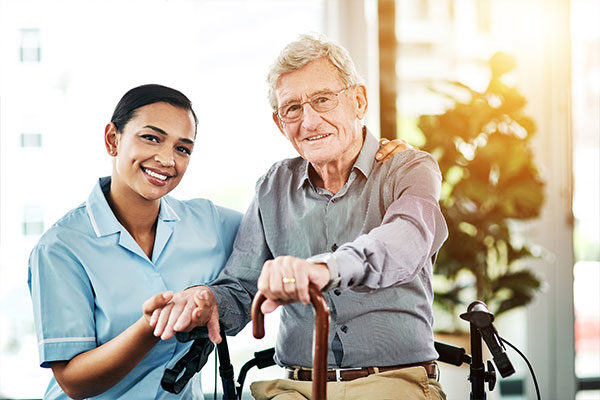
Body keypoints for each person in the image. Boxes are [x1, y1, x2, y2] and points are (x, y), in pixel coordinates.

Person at [27, 83, 407, 399]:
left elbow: (296, 231)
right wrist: (153, 326)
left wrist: (373, 165)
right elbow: (73, 380)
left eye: (182, 148)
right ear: (113, 139)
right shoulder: (60, 247)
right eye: (150, 138)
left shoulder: (209, 222)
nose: (166, 159)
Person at [154, 34, 449, 399]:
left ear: (358, 101)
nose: (309, 121)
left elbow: (407, 238)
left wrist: (326, 268)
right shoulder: (272, 187)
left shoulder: (409, 169)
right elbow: (242, 288)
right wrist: (206, 302)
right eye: (292, 109)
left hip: (391, 383)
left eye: (323, 100)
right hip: (295, 387)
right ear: (280, 124)